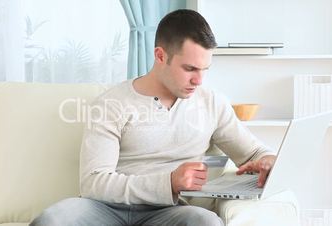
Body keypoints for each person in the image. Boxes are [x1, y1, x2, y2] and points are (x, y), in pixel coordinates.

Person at [30, 9, 276, 226]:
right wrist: (168, 182)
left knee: (205, 222)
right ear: (160, 56)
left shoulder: (211, 103)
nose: (198, 80)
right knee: (53, 220)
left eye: (204, 70)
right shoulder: (112, 103)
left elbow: (254, 152)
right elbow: (94, 183)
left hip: (168, 213)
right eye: (190, 69)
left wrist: (267, 160)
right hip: (104, 209)